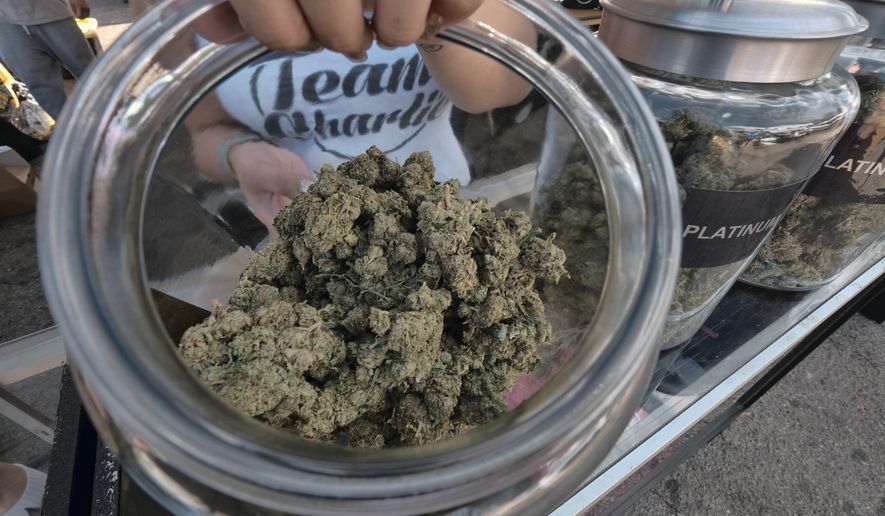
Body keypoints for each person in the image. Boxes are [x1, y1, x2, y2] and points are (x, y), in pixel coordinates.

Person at [134, 0, 535, 233]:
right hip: (303, 237)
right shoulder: (178, 13)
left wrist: (439, 18)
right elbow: (205, 130)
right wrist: (239, 155)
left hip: (444, 224)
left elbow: (513, 84)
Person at [0, 0, 95, 119]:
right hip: (5, 25)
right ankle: (71, 131)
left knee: (91, 72)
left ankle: (120, 116)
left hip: (50, 11)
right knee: (42, 89)